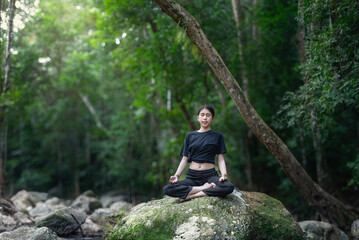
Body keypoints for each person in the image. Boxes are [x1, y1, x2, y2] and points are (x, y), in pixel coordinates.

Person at [163, 105, 234, 202]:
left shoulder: (217, 136)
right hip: (192, 177)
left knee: (228, 187)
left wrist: (224, 174)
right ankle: (204, 188)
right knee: (168, 189)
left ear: (212, 118)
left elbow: (220, 158)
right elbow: (184, 158)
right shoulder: (190, 136)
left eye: (208, 115)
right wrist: (177, 175)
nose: (205, 118)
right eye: (202, 115)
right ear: (198, 118)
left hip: (210, 176)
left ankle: (191, 196)